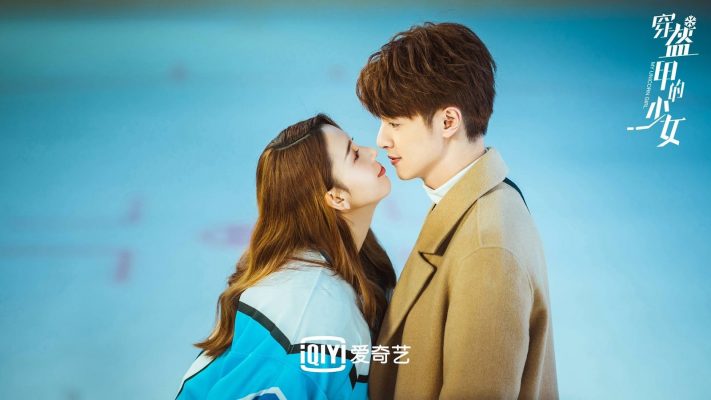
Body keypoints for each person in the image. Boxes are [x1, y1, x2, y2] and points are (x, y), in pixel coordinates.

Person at [356, 22, 559, 399]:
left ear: (448, 121)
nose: (382, 139)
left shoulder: (487, 249)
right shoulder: (474, 200)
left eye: (395, 122)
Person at [175, 114, 396, 400]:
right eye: (353, 155)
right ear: (336, 197)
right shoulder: (310, 311)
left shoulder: (356, 260)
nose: (371, 151)